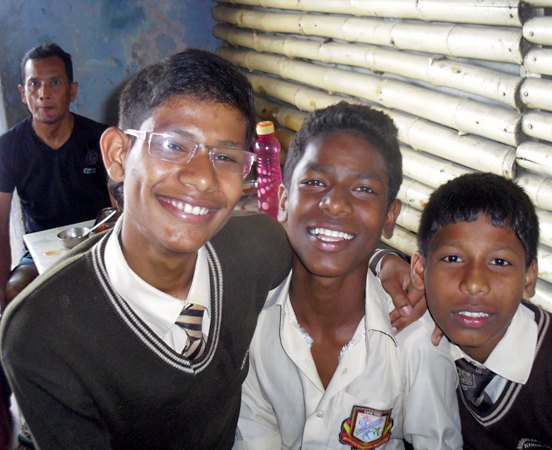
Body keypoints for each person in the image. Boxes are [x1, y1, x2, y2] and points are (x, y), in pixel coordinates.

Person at [1, 50, 421, 449]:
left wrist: (385, 261)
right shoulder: (42, 334)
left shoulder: (254, 248)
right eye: (172, 145)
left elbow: (323, 240)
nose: (202, 177)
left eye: (225, 156)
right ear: (118, 155)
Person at [235, 102, 462, 449]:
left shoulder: (416, 341)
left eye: (363, 189)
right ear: (282, 201)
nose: (335, 203)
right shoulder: (252, 321)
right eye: (314, 182)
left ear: (389, 216)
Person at [411, 172, 552, 450]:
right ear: (420, 271)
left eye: (499, 262)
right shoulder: (415, 332)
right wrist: (384, 259)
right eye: (453, 258)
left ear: (529, 277)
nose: (474, 284)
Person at [0, 43, 111, 309]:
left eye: (55, 82)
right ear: (23, 93)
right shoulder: (8, 147)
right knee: (15, 296)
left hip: (97, 246)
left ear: (72, 91)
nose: (44, 94)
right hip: (39, 254)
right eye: (34, 84)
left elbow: (120, 208)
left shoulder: (101, 139)